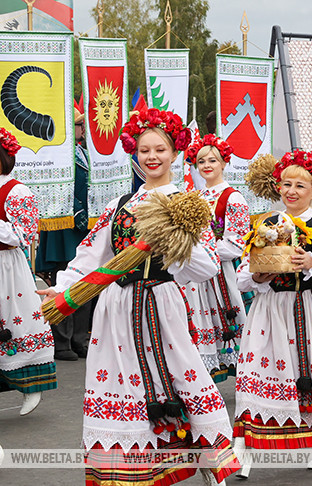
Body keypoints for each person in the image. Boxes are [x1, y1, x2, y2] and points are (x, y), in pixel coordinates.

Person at [39, 109, 238, 485]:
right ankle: (131, 469)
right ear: (134, 153)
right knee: (122, 383)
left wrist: (173, 240)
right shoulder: (121, 205)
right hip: (115, 309)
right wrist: (62, 288)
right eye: (144, 150)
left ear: (175, 152)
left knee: (185, 376)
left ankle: (213, 464)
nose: (152, 157)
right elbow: (90, 255)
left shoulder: (186, 204)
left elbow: (207, 266)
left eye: (160, 149)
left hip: (163, 304)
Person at [233, 150, 312, 473]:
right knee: (253, 377)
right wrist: (259, 275)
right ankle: (243, 448)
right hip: (267, 311)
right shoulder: (266, 224)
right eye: (286, 184)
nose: (292, 191)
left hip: (307, 311)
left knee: (310, 375)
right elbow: (242, 275)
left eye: (301, 185)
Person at [182, 134, 249, 382]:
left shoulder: (233, 197)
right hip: (195, 275)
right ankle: (204, 379)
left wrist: (201, 252)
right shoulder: (195, 198)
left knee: (230, 322)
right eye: (201, 161)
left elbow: (236, 243)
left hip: (221, 273)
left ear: (224, 162)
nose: (206, 165)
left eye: (212, 160)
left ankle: (247, 378)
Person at [0, 127, 58, 416]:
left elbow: (24, 234)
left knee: (17, 323)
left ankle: (31, 385)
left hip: (7, 268)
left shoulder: (17, 190)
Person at [35, 106, 92, 361]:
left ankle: (80, 339)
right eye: (79, 125)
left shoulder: (84, 153)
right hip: (63, 224)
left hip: (84, 225)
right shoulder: (57, 154)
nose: (83, 129)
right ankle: (62, 341)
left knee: (86, 280)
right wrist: (76, 208)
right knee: (64, 279)